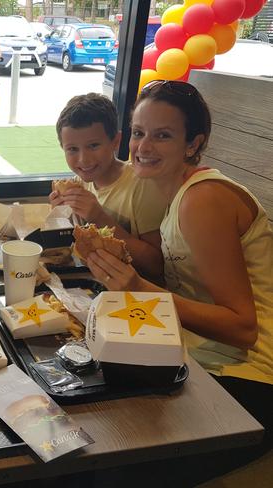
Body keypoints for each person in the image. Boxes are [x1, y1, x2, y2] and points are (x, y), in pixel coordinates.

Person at [86, 80, 273, 467]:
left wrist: (139, 288)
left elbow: (243, 328)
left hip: (251, 381)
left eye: (163, 135)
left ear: (193, 144)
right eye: (138, 133)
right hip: (200, 357)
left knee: (114, 462)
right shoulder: (176, 197)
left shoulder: (203, 199)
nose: (143, 147)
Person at [49, 93, 167, 280]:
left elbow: (156, 266)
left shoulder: (142, 186)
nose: (83, 159)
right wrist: (62, 218)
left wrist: (98, 217)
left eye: (94, 145)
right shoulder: (79, 184)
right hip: (93, 282)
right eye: (72, 149)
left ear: (116, 142)